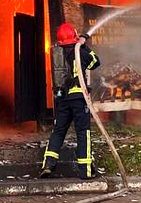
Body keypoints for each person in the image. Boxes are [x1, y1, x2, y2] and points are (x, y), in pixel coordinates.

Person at [40, 22, 101, 179]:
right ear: (74, 36)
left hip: (62, 99)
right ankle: (85, 170)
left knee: (58, 131)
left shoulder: (56, 53)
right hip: (79, 99)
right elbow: (95, 62)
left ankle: (48, 164)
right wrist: (83, 45)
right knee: (83, 132)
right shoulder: (80, 51)